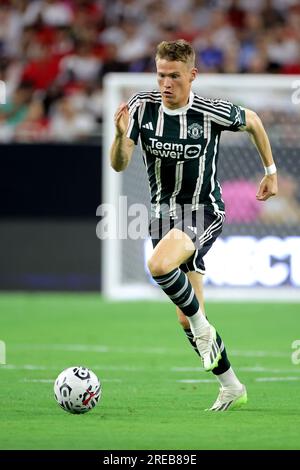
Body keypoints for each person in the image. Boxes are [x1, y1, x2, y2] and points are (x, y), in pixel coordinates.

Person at [110, 39, 278, 411]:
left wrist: (271, 172)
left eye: (174, 76)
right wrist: (121, 136)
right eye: (160, 75)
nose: (166, 83)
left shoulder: (209, 111)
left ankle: (205, 329)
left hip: (203, 210)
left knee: (157, 266)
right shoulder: (141, 108)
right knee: (186, 320)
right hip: (162, 217)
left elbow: (253, 121)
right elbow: (120, 165)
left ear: (191, 76)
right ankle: (231, 385)